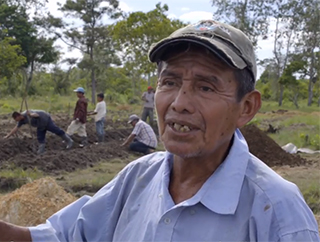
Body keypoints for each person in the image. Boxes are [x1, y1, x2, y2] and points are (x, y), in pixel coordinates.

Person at [0, 19, 319, 242]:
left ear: (246, 107)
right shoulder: (137, 177)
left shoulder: (277, 211)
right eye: (170, 82)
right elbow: (72, 234)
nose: (180, 103)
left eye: (206, 87)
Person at [3, 110, 73, 154]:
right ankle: (41, 151)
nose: (16, 120)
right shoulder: (21, 121)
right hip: (40, 125)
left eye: (16, 119)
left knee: (57, 130)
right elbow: (16, 128)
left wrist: (30, 115)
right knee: (40, 137)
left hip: (45, 119)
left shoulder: (26, 113)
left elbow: (36, 115)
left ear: (19, 116)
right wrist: (7, 136)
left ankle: (69, 141)